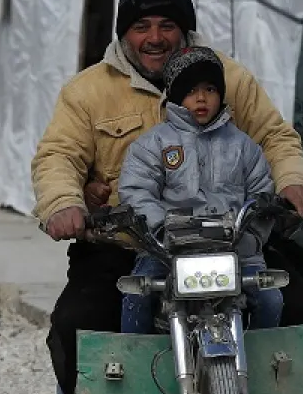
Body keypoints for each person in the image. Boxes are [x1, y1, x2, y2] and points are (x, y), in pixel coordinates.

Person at [32, 0, 303, 394]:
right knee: (78, 322)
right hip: (131, 245)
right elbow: (58, 156)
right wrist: (64, 202)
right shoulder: (87, 92)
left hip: (229, 239)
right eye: (141, 26)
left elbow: (274, 138)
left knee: (298, 308)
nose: (154, 37)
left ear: (183, 28)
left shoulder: (228, 77)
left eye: (166, 25)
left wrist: (293, 182)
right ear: (124, 33)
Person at [117, 46, 284, 334]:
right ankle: (138, 370)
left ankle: (259, 370)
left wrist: (251, 231)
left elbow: (260, 194)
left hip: (235, 251)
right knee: (136, 298)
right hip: (167, 253)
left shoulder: (243, 146)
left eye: (210, 89)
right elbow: (137, 191)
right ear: (176, 96)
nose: (202, 98)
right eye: (191, 90)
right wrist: (161, 231)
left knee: (271, 300)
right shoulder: (153, 144)